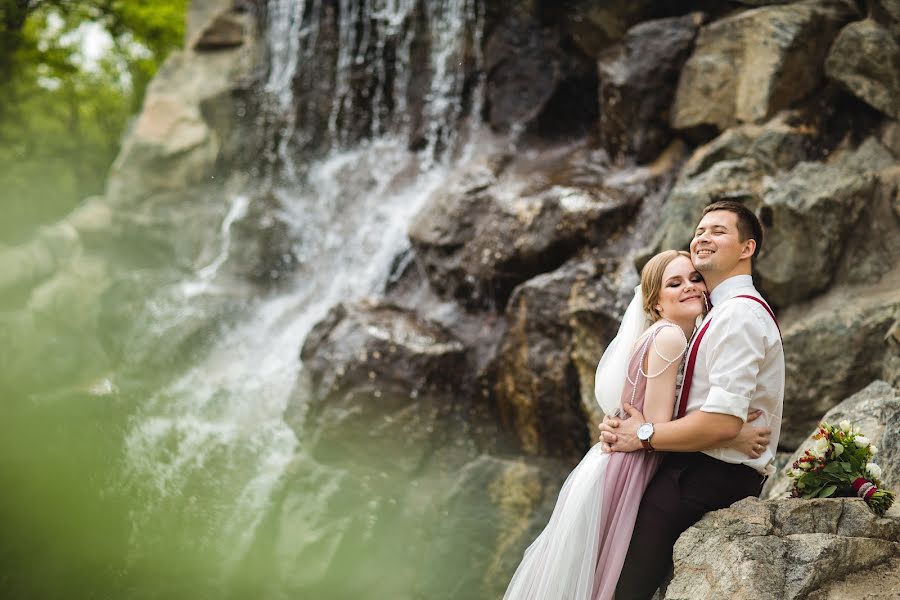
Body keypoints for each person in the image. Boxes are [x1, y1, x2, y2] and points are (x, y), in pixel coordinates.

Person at [502, 248, 769, 600]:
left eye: (694, 278)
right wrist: (730, 432)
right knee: (610, 578)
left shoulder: (672, 334)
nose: (689, 286)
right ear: (656, 302)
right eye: (675, 283)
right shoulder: (670, 336)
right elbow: (657, 426)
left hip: (623, 459)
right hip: (631, 464)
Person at [599, 200, 784, 600]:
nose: (703, 236)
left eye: (718, 231)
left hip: (704, 477)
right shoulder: (713, 314)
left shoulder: (737, 316)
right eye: (699, 230)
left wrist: (642, 434)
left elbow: (721, 422)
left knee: (627, 587)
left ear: (746, 248)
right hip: (694, 465)